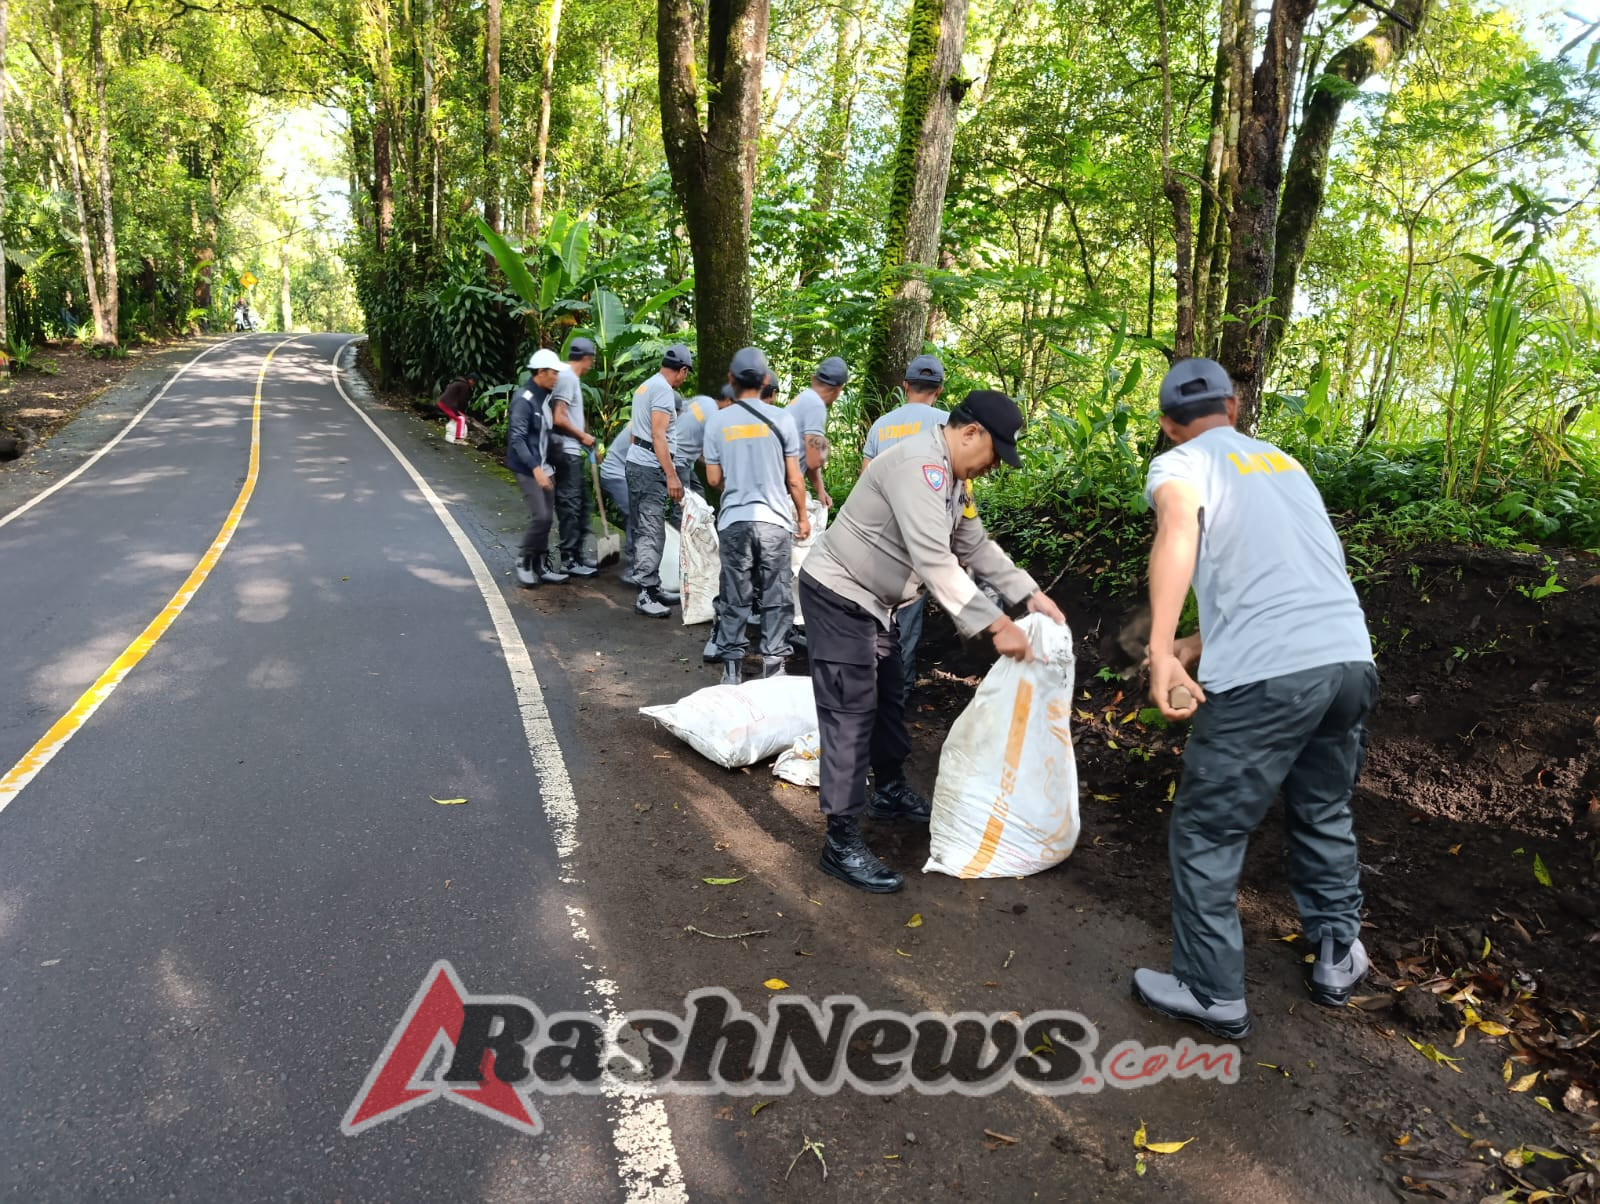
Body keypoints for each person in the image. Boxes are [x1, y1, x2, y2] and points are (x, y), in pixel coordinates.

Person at [1130, 357, 1377, 1041]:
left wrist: (1157, 651)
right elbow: (1286, 580)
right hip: (1348, 659)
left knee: (1207, 828)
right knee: (1323, 805)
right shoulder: (1285, 465)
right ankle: (1336, 953)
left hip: (1269, 681)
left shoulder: (1181, 467)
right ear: (1232, 408)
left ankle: (1211, 991)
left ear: (1168, 426)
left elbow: (1178, 532)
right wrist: (1194, 642)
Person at [798, 390, 1064, 893]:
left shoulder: (952, 479)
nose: (991, 469)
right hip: (840, 593)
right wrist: (995, 625)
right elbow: (934, 560)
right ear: (971, 433)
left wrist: (1028, 595)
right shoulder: (921, 466)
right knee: (851, 711)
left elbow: (973, 544)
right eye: (993, 456)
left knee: (890, 697)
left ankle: (890, 791)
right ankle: (840, 839)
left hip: (879, 604)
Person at [703, 348, 810, 685]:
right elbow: (794, 478)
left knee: (736, 594)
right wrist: (803, 516)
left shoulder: (717, 421)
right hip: (775, 522)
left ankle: (732, 669)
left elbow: (713, 480)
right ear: (765, 381)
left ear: (732, 382)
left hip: (734, 521)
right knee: (776, 596)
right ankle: (774, 666)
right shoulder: (784, 420)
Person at [860, 354, 949, 711]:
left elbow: (865, 482)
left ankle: (870, 682)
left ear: (905, 386)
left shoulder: (881, 425)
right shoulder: (949, 425)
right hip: (922, 535)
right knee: (908, 615)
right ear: (939, 391)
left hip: (883, 533)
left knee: (875, 610)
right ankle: (900, 688)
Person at [625, 344, 693, 618]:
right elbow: (658, 435)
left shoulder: (645, 386)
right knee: (652, 531)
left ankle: (651, 586)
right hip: (650, 467)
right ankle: (645, 593)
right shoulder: (665, 391)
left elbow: (635, 433)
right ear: (683, 371)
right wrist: (671, 474)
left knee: (645, 528)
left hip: (638, 462)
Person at [507, 349, 571, 588]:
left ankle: (540, 565)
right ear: (541, 372)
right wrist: (536, 469)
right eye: (553, 372)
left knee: (548, 518)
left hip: (545, 467)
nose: (556, 377)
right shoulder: (524, 400)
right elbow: (518, 439)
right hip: (528, 468)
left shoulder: (544, 397)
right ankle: (523, 560)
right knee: (541, 517)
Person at [550, 337, 600, 577]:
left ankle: (577, 555)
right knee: (570, 505)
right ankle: (569, 559)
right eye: (592, 360)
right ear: (587, 358)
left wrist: (586, 439)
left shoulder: (570, 378)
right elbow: (558, 417)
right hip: (566, 452)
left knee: (580, 503)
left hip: (573, 451)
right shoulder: (568, 377)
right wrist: (582, 437)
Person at [786, 356, 849, 509]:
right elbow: (813, 461)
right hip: (780, 488)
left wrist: (821, 491)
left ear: (814, 379)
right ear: (838, 389)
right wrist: (825, 448)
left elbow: (808, 458)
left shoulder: (803, 399)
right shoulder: (816, 406)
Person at [599, 427, 635, 580]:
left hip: (624, 474)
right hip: (614, 475)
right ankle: (633, 566)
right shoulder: (642, 424)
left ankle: (636, 560)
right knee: (635, 514)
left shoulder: (642, 418)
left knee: (637, 513)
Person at [437, 374, 478, 442]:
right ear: (470, 380)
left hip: (444, 403)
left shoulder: (459, 382)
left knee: (459, 417)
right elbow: (462, 400)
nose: (474, 385)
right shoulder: (464, 386)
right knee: (461, 419)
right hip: (447, 405)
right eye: (474, 382)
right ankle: (458, 439)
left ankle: (451, 435)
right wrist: (460, 412)